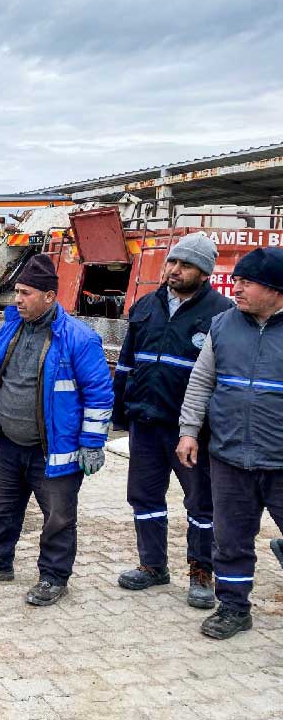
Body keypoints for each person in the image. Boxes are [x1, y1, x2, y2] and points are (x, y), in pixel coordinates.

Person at [0, 254, 113, 606]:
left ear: (49, 296)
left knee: (58, 517)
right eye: (17, 291)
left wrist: (93, 442)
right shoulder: (11, 327)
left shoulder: (78, 338)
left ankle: (54, 577)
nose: (17, 299)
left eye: (26, 293)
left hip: (54, 451)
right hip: (11, 444)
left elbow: (100, 394)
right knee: (0, 505)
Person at [112, 233, 232, 608]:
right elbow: (126, 364)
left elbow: (222, 379)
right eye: (172, 263)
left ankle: (201, 573)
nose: (175, 271)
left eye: (186, 265)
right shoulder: (145, 306)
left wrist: (204, 428)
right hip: (146, 422)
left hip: (193, 431)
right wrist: (120, 413)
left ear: (205, 273)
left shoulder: (223, 315)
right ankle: (152, 566)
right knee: (144, 496)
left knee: (201, 503)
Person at [177, 247, 283, 639]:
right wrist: (189, 431)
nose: (235, 287)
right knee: (231, 540)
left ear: (275, 289)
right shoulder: (223, 324)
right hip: (229, 455)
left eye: (245, 282)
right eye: (235, 280)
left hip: (279, 459)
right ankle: (234, 609)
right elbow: (202, 381)